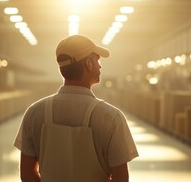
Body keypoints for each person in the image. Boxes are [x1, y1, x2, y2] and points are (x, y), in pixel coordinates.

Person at [14, 34, 138, 182]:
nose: (100, 65)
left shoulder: (34, 112)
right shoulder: (111, 117)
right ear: (88, 64)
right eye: (97, 60)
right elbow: (121, 179)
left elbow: (27, 175)